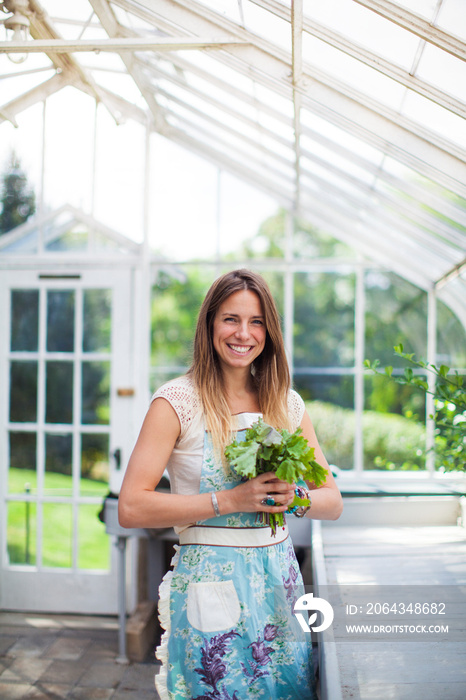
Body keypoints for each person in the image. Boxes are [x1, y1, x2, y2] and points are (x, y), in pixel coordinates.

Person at [118, 268, 343, 700]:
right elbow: (132, 507)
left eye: (256, 321)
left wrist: (293, 496)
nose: (244, 333)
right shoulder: (176, 402)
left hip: (279, 584)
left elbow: (331, 502)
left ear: (269, 331)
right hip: (209, 585)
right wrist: (230, 499)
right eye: (230, 319)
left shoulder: (286, 403)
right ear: (209, 325)